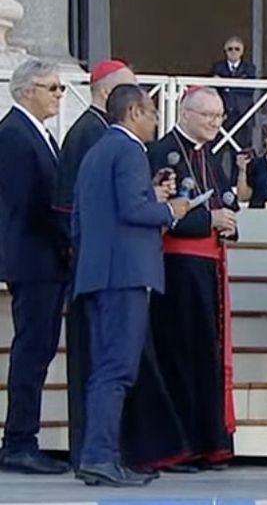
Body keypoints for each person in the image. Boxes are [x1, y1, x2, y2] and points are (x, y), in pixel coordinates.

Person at [72, 84, 192, 487]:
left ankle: (98, 455)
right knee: (117, 369)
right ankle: (101, 456)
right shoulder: (128, 150)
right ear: (134, 112)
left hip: (97, 272)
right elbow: (133, 210)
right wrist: (170, 210)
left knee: (105, 368)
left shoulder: (97, 151)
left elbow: (85, 216)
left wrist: (149, 195)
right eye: (152, 112)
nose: (156, 120)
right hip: (124, 275)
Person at [130, 86, 238, 473]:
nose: (214, 123)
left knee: (205, 356)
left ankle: (208, 443)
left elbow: (224, 201)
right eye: (208, 115)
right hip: (176, 268)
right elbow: (160, 212)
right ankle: (180, 447)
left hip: (209, 268)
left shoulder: (210, 154)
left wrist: (228, 224)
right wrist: (210, 220)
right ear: (185, 113)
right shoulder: (162, 152)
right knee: (179, 355)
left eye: (219, 116)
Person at [53, 59, 136, 466]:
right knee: (99, 363)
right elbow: (75, 206)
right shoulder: (93, 134)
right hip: (99, 268)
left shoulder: (98, 131)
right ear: (107, 92)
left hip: (98, 265)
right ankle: (93, 451)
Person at [0, 59, 72, 474]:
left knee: (39, 351)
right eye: (53, 88)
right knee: (31, 351)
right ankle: (19, 442)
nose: (60, 95)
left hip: (46, 259)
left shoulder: (38, 134)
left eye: (60, 88)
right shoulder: (13, 134)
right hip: (35, 260)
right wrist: (67, 242)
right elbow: (29, 203)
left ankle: (23, 438)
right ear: (28, 90)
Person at [210, 36, 257, 147]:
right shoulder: (218, 67)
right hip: (222, 113)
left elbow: (248, 89)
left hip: (242, 113)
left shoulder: (249, 68)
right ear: (225, 51)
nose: (233, 52)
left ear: (242, 51)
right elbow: (214, 88)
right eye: (230, 49)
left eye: (237, 49)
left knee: (241, 149)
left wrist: (225, 84)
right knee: (216, 149)